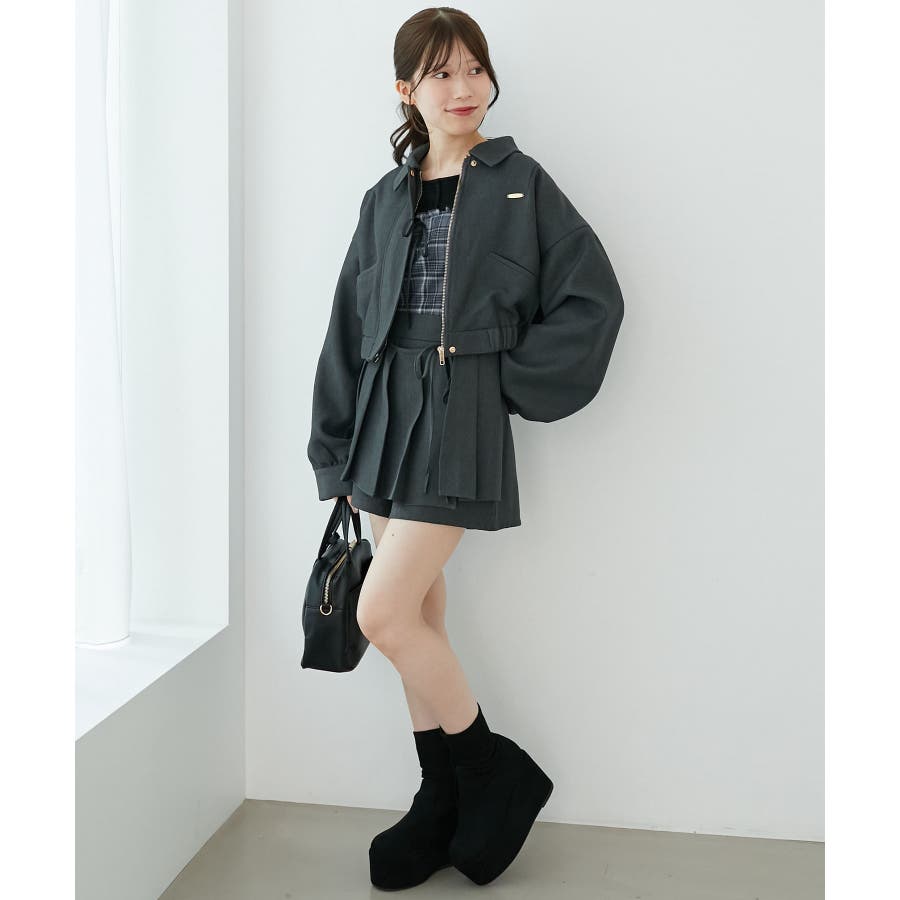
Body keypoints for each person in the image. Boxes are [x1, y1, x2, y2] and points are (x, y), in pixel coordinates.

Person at [307, 7, 624, 890]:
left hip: (458, 416)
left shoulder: (521, 184)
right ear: (406, 89)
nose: (463, 88)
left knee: (381, 614)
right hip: (382, 419)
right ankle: (439, 796)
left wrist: (502, 380)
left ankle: (493, 773)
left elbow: (593, 298)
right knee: (418, 615)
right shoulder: (384, 198)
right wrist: (335, 447)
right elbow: (346, 328)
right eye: (442, 73)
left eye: (474, 69)